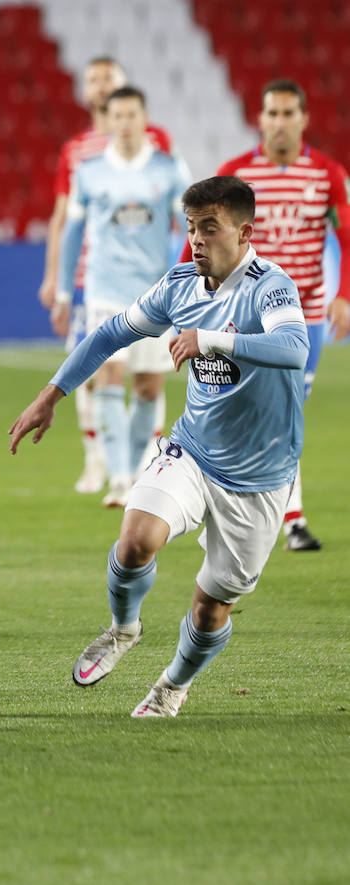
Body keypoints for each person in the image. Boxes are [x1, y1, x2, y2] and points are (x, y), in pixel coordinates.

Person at [10, 175, 307, 717]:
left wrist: (211, 339)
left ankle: (172, 684)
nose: (196, 240)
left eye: (209, 229)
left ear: (244, 233)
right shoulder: (179, 285)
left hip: (261, 477)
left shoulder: (271, 286)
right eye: (191, 227)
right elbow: (109, 335)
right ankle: (124, 629)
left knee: (212, 606)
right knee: (134, 542)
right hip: (194, 452)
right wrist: (50, 395)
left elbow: (293, 346)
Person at [206, 79, 350, 551]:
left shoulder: (328, 174)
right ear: (260, 119)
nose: (280, 122)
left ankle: (288, 519)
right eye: (272, 113)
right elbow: (206, 239)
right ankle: (267, 513)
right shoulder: (235, 174)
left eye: (289, 113)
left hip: (302, 317)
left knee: (284, 411)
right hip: (245, 313)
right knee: (239, 408)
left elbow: (347, 238)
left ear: (304, 119)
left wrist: (343, 294)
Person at [39, 56, 173, 495]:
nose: (99, 86)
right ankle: (99, 460)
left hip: (146, 281)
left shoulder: (156, 145)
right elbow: (63, 218)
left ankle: (142, 457)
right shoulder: (76, 151)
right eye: (92, 79)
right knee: (95, 371)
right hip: (90, 279)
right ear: (85, 91)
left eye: (108, 79)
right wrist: (55, 280)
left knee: (145, 375)